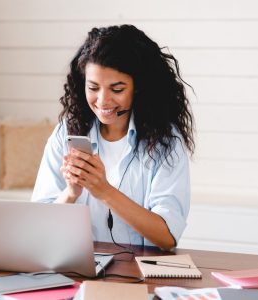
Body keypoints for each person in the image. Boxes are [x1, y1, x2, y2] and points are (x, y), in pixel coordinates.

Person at [32, 24, 194, 250]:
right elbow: (38, 226)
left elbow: (166, 236)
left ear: (138, 87)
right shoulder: (66, 133)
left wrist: (103, 190)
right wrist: (70, 194)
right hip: (77, 267)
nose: (102, 100)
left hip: (138, 273)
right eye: (93, 87)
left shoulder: (165, 142)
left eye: (117, 89)